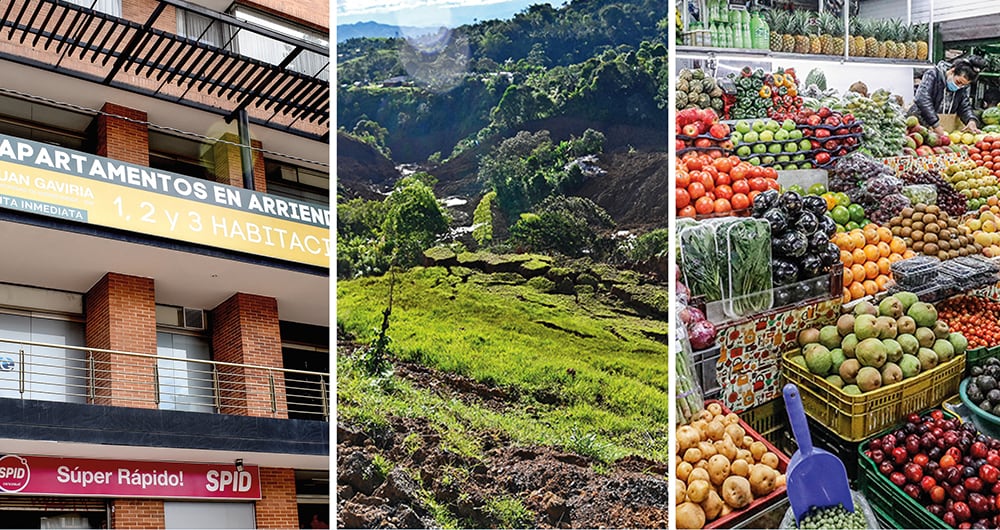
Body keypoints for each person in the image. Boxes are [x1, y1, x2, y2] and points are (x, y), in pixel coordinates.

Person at [907, 57, 983, 136]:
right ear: (952, 71)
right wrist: (935, 124)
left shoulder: (960, 88)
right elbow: (922, 99)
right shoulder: (933, 74)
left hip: (943, 128)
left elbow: (964, 105)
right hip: (921, 124)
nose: (959, 86)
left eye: (963, 85)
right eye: (958, 82)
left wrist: (971, 120)